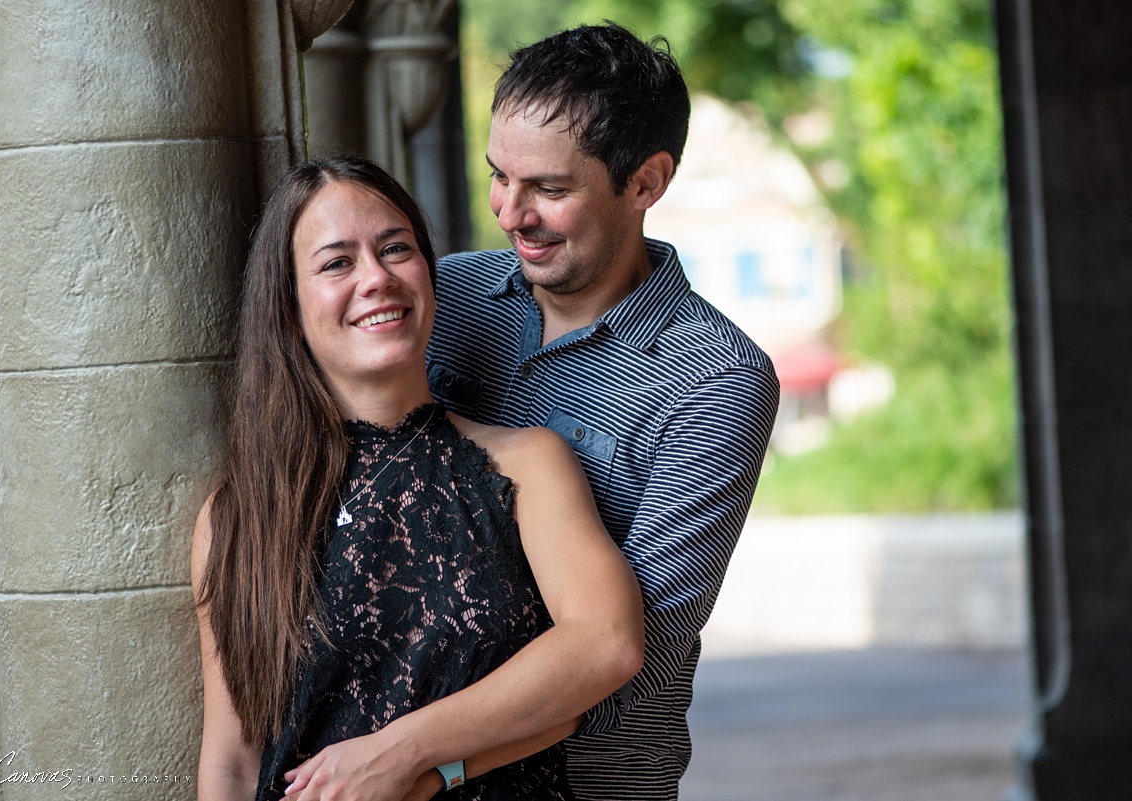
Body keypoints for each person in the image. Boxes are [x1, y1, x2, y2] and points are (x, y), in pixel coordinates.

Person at [191, 156, 644, 801]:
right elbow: (231, 763)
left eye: (395, 249)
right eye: (336, 262)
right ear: (289, 307)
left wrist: (404, 758)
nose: (376, 278)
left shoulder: (526, 466)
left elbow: (604, 647)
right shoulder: (238, 515)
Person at [426, 23, 780, 801]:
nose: (510, 213)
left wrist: (418, 756)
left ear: (647, 181)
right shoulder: (443, 296)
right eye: (498, 176)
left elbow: (632, 660)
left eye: (549, 190)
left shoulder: (717, 378)